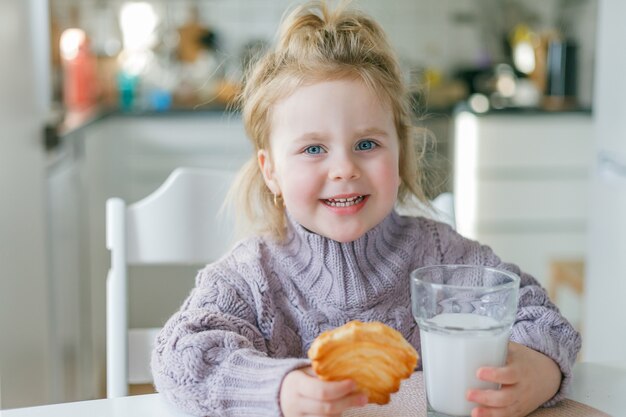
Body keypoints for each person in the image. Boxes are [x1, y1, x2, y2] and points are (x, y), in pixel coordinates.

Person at [151, 2, 581, 416]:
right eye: (313, 148)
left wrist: (538, 368)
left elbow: (540, 315)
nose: (344, 169)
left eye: (367, 144)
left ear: (399, 153)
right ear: (272, 171)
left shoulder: (446, 260)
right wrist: (278, 390)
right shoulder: (250, 277)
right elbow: (181, 358)